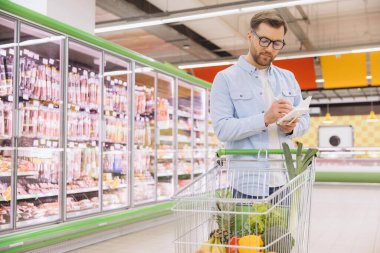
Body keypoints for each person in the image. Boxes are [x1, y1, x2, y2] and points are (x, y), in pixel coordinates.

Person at [210, 11, 310, 199]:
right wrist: (265, 119)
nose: (270, 49)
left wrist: (291, 128)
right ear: (250, 36)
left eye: (277, 43)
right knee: (248, 230)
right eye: (264, 40)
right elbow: (222, 129)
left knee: (285, 229)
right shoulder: (225, 79)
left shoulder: (288, 78)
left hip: (285, 180)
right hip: (248, 183)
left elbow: (305, 120)